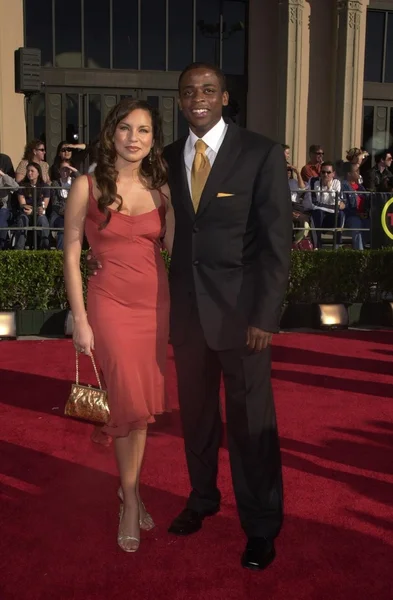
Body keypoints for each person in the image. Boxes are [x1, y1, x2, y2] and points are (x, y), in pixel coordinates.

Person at [88, 63, 291, 569]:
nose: (197, 98)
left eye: (207, 90)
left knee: (251, 426)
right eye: (187, 92)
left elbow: (275, 244)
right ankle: (202, 500)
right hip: (187, 317)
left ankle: (261, 525)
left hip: (244, 319)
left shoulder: (260, 153)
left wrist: (265, 315)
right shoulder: (168, 158)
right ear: (180, 101)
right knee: (197, 420)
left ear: (224, 98)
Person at [63, 98, 175, 554]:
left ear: (153, 140)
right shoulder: (87, 186)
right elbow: (71, 253)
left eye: (144, 131)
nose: (134, 138)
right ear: (112, 134)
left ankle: (129, 489)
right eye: (126, 129)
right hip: (108, 304)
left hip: (154, 306)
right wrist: (81, 320)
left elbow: (175, 244)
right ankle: (129, 499)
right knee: (127, 397)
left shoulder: (162, 188)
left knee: (139, 408)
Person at [15, 162, 50, 250]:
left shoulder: (45, 187)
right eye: (28, 171)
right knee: (23, 220)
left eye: (32, 171)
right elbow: (23, 205)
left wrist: (34, 211)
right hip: (26, 213)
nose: (29, 173)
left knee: (43, 219)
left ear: (38, 173)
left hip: (39, 214)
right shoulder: (22, 186)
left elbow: (44, 206)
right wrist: (34, 210)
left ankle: (45, 250)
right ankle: (18, 251)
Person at [50, 160, 80, 250]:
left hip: (74, 213)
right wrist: (64, 210)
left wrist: (74, 170)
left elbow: (83, 180)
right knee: (63, 226)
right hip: (59, 214)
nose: (65, 172)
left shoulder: (75, 181)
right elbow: (54, 202)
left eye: (67, 169)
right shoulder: (55, 183)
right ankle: (60, 253)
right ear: (59, 171)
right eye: (62, 169)